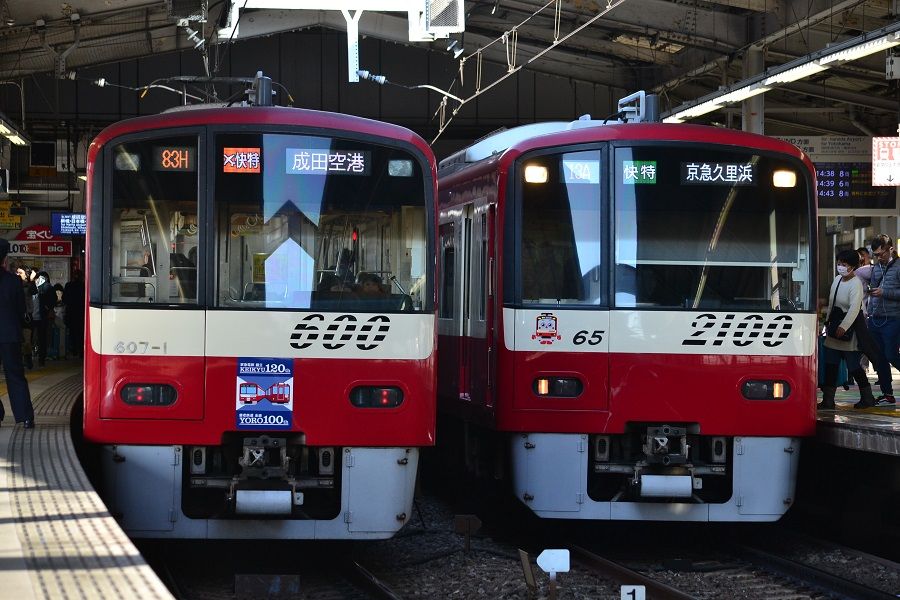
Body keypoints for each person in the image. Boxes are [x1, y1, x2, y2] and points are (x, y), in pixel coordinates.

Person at [821, 249, 876, 409]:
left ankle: (867, 398)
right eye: (839, 263)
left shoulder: (856, 283)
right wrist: (827, 322)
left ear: (852, 266)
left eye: (844, 264)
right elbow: (832, 303)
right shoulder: (837, 280)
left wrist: (843, 326)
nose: (840, 267)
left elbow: (854, 308)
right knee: (830, 365)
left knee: (853, 366)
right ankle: (828, 400)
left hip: (849, 332)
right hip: (834, 330)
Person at [0, 240, 35, 428]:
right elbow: (22, 310)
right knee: (15, 376)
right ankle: (26, 417)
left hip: (9, 334)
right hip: (10, 335)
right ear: (4, 260)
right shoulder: (13, 281)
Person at [866, 234, 900, 406]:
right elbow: (873, 288)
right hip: (875, 318)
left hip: (893, 318)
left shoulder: (899, 266)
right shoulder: (876, 268)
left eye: (881, 254)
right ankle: (887, 394)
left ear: (891, 249)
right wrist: (869, 311)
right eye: (876, 255)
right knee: (879, 357)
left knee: (891, 354)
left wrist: (884, 293)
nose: (879, 258)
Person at [63, 269, 85, 358]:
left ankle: (74, 350)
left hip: (71, 312)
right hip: (81, 313)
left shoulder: (68, 285)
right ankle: (81, 352)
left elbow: (64, 299)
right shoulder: (84, 286)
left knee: (72, 332)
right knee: (81, 333)